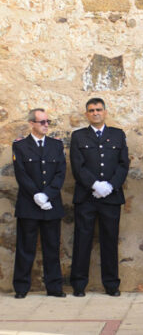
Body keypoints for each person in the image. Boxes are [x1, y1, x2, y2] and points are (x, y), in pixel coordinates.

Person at [69, 97, 129, 297]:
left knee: (110, 240)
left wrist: (110, 186)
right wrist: (94, 185)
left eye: (99, 109)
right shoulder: (78, 136)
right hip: (86, 197)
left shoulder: (118, 135)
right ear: (87, 114)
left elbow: (123, 164)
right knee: (82, 240)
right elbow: (78, 166)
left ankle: (111, 284)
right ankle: (79, 284)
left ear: (105, 112)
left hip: (111, 197)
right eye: (91, 110)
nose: (95, 113)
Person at [12, 108, 66, 298]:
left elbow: (60, 173)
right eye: (42, 122)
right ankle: (21, 287)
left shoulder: (56, 145)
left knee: (52, 247)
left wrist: (47, 195)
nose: (45, 125)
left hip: (51, 205)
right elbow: (21, 173)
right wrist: (36, 195)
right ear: (32, 124)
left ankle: (54, 287)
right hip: (29, 204)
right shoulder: (20, 146)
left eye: (47, 122)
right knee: (25, 248)